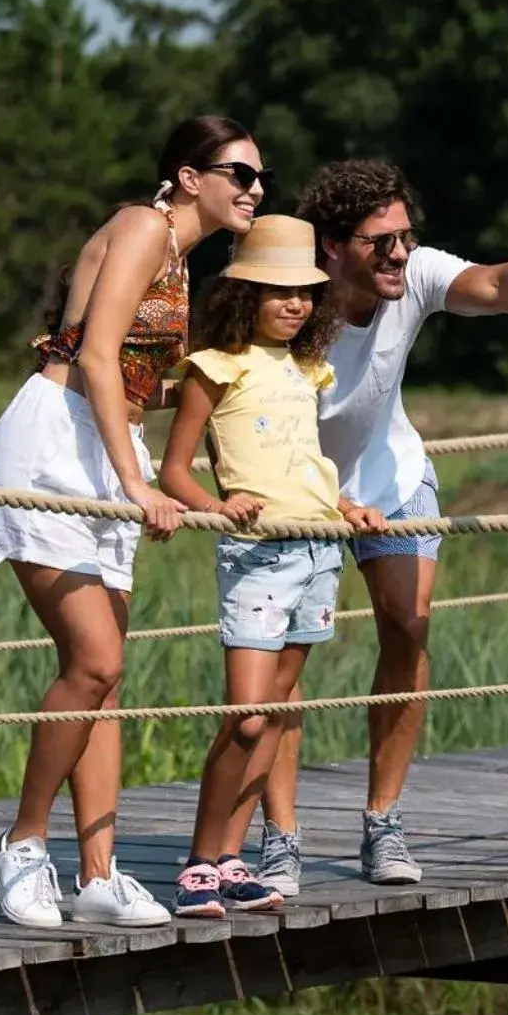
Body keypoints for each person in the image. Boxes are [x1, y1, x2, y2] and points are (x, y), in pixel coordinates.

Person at [249, 160, 508, 894]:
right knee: (284, 662)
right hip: (295, 489)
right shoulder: (288, 300)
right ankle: (281, 837)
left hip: (388, 479)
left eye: (404, 236)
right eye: (377, 242)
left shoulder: (415, 273)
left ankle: (383, 822)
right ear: (330, 248)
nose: (397, 254)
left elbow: (496, 283)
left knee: (410, 625)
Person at [0, 116, 272, 928]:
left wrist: (228, 386)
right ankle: (21, 842)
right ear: (188, 177)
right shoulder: (145, 226)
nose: (255, 191)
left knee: (104, 682)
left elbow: (139, 380)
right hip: (56, 444)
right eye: (240, 175)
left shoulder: (181, 257)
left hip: (109, 442)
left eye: (260, 179)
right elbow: (98, 356)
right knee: (95, 660)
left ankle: (99, 875)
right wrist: (133, 480)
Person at [155, 215, 389, 916]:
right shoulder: (214, 367)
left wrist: (344, 506)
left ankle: (231, 859)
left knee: (279, 716)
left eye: (305, 294)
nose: (293, 305)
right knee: (248, 716)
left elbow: (301, 463)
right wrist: (217, 504)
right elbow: (174, 472)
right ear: (244, 295)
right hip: (258, 556)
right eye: (277, 292)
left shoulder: (306, 370)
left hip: (318, 549)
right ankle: (200, 860)